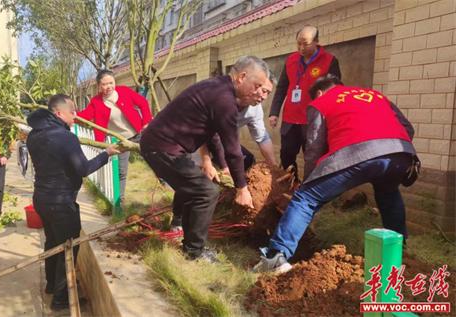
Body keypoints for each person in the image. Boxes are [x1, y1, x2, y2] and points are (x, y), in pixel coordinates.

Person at [253, 75, 418, 274]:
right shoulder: (374, 95)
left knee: (306, 199)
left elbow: (314, 147)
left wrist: (309, 182)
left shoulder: (322, 102)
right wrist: (387, 149)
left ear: (319, 93)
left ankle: (275, 258)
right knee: (389, 193)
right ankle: (399, 252)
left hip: (355, 152)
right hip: (400, 153)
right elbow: (408, 127)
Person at [140, 56, 272, 262]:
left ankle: (184, 234)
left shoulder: (218, 89)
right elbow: (233, 148)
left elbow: (214, 135)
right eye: (257, 86)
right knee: (207, 191)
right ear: (241, 77)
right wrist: (242, 188)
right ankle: (194, 251)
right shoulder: (224, 99)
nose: (260, 94)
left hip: (166, 146)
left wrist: (222, 166)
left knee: (195, 187)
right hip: (162, 148)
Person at [26, 94, 121, 310]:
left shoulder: (33, 135)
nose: (76, 116)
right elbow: (83, 169)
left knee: (52, 243)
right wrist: (106, 154)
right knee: (68, 248)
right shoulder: (65, 137)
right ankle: (61, 297)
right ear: (59, 113)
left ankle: (52, 285)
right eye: (72, 112)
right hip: (60, 202)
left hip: (41, 199)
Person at [169, 75, 278, 231]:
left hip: (225, 142)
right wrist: (206, 162)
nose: (263, 97)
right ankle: (178, 220)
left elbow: (262, 138)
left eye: (268, 92)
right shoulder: (221, 100)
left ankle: (230, 199)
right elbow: (205, 134)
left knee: (247, 160)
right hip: (197, 140)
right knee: (191, 177)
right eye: (262, 90)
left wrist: (273, 167)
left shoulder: (255, 107)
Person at [269, 25, 341, 176]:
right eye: (298, 44)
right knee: (287, 156)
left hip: (314, 120)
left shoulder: (329, 61)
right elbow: (282, 87)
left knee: (314, 159)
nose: (301, 48)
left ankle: (310, 194)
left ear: (316, 42)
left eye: (306, 43)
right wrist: (274, 112)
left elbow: (336, 92)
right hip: (290, 119)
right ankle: (290, 188)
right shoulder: (291, 60)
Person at [77, 69, 153, 202]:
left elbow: (143, 103)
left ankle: (164, 183)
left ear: (115, 82)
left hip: (137, 134)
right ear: (99, 86)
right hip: (119, 140)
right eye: (104, 84)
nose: (108, 87)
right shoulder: (96, 102)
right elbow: (85, 116)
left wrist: (146, 122)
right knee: (121, 171)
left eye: (111, 83)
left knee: (154, 157)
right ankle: (120, 200)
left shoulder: (124, 91)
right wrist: (71, 115)